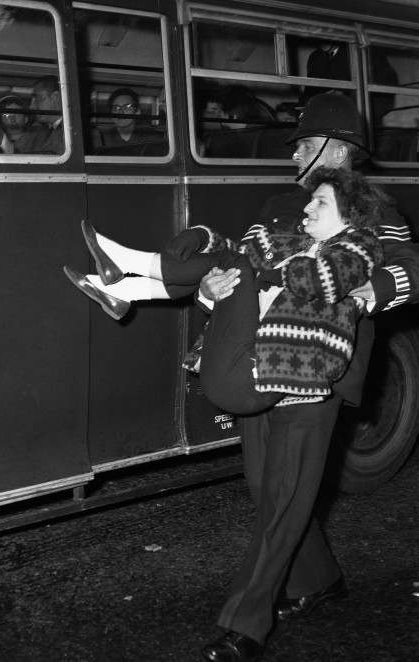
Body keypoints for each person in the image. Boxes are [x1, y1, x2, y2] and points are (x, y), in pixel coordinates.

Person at [162, 91, 419, 661]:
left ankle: (245, 621)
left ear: (337, 147)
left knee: (283, 492)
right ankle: (319, 578)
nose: (296, 152)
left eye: (304, 142)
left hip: (320, 365)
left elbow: (410, 266)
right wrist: (211, 289)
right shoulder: (282, 202)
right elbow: (244, 264)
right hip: (258, 358)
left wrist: (371, 290)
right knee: (266, 485)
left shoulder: (378, 210)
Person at [65, 167, 385, 416]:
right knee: (229, 261)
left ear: (348, 212)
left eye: (320, 202)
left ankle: (126, 273)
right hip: (233, 368)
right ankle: (126, 285)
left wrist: (261, 272)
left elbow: (321, 280)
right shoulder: (298, 239)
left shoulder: (360, 246)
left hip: (268, 375)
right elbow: (241, 252)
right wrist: (203, 238)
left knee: (236, 263)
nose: (307, 209)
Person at [93, 87, 165, 154]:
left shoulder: (152, 137)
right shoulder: (101, 138)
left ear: (137, 112)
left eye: (127, 107)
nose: (120, 112)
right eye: (116, 108)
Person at [29, 75, 64, 154]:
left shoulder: (73, 132)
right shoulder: (39, 132)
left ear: (55, 97)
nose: (31, 107)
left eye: (38, 98)